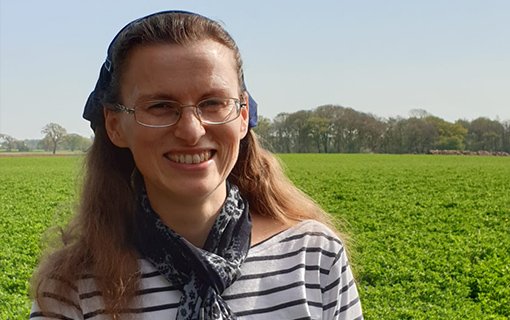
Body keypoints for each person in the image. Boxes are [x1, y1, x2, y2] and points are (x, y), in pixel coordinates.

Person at [30, 10, 363, 320]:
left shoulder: (312, 257)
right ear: (115, 125)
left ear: (243, 115)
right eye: (160, 106)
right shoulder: (71, 287)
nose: (191, 130)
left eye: (213, 103)